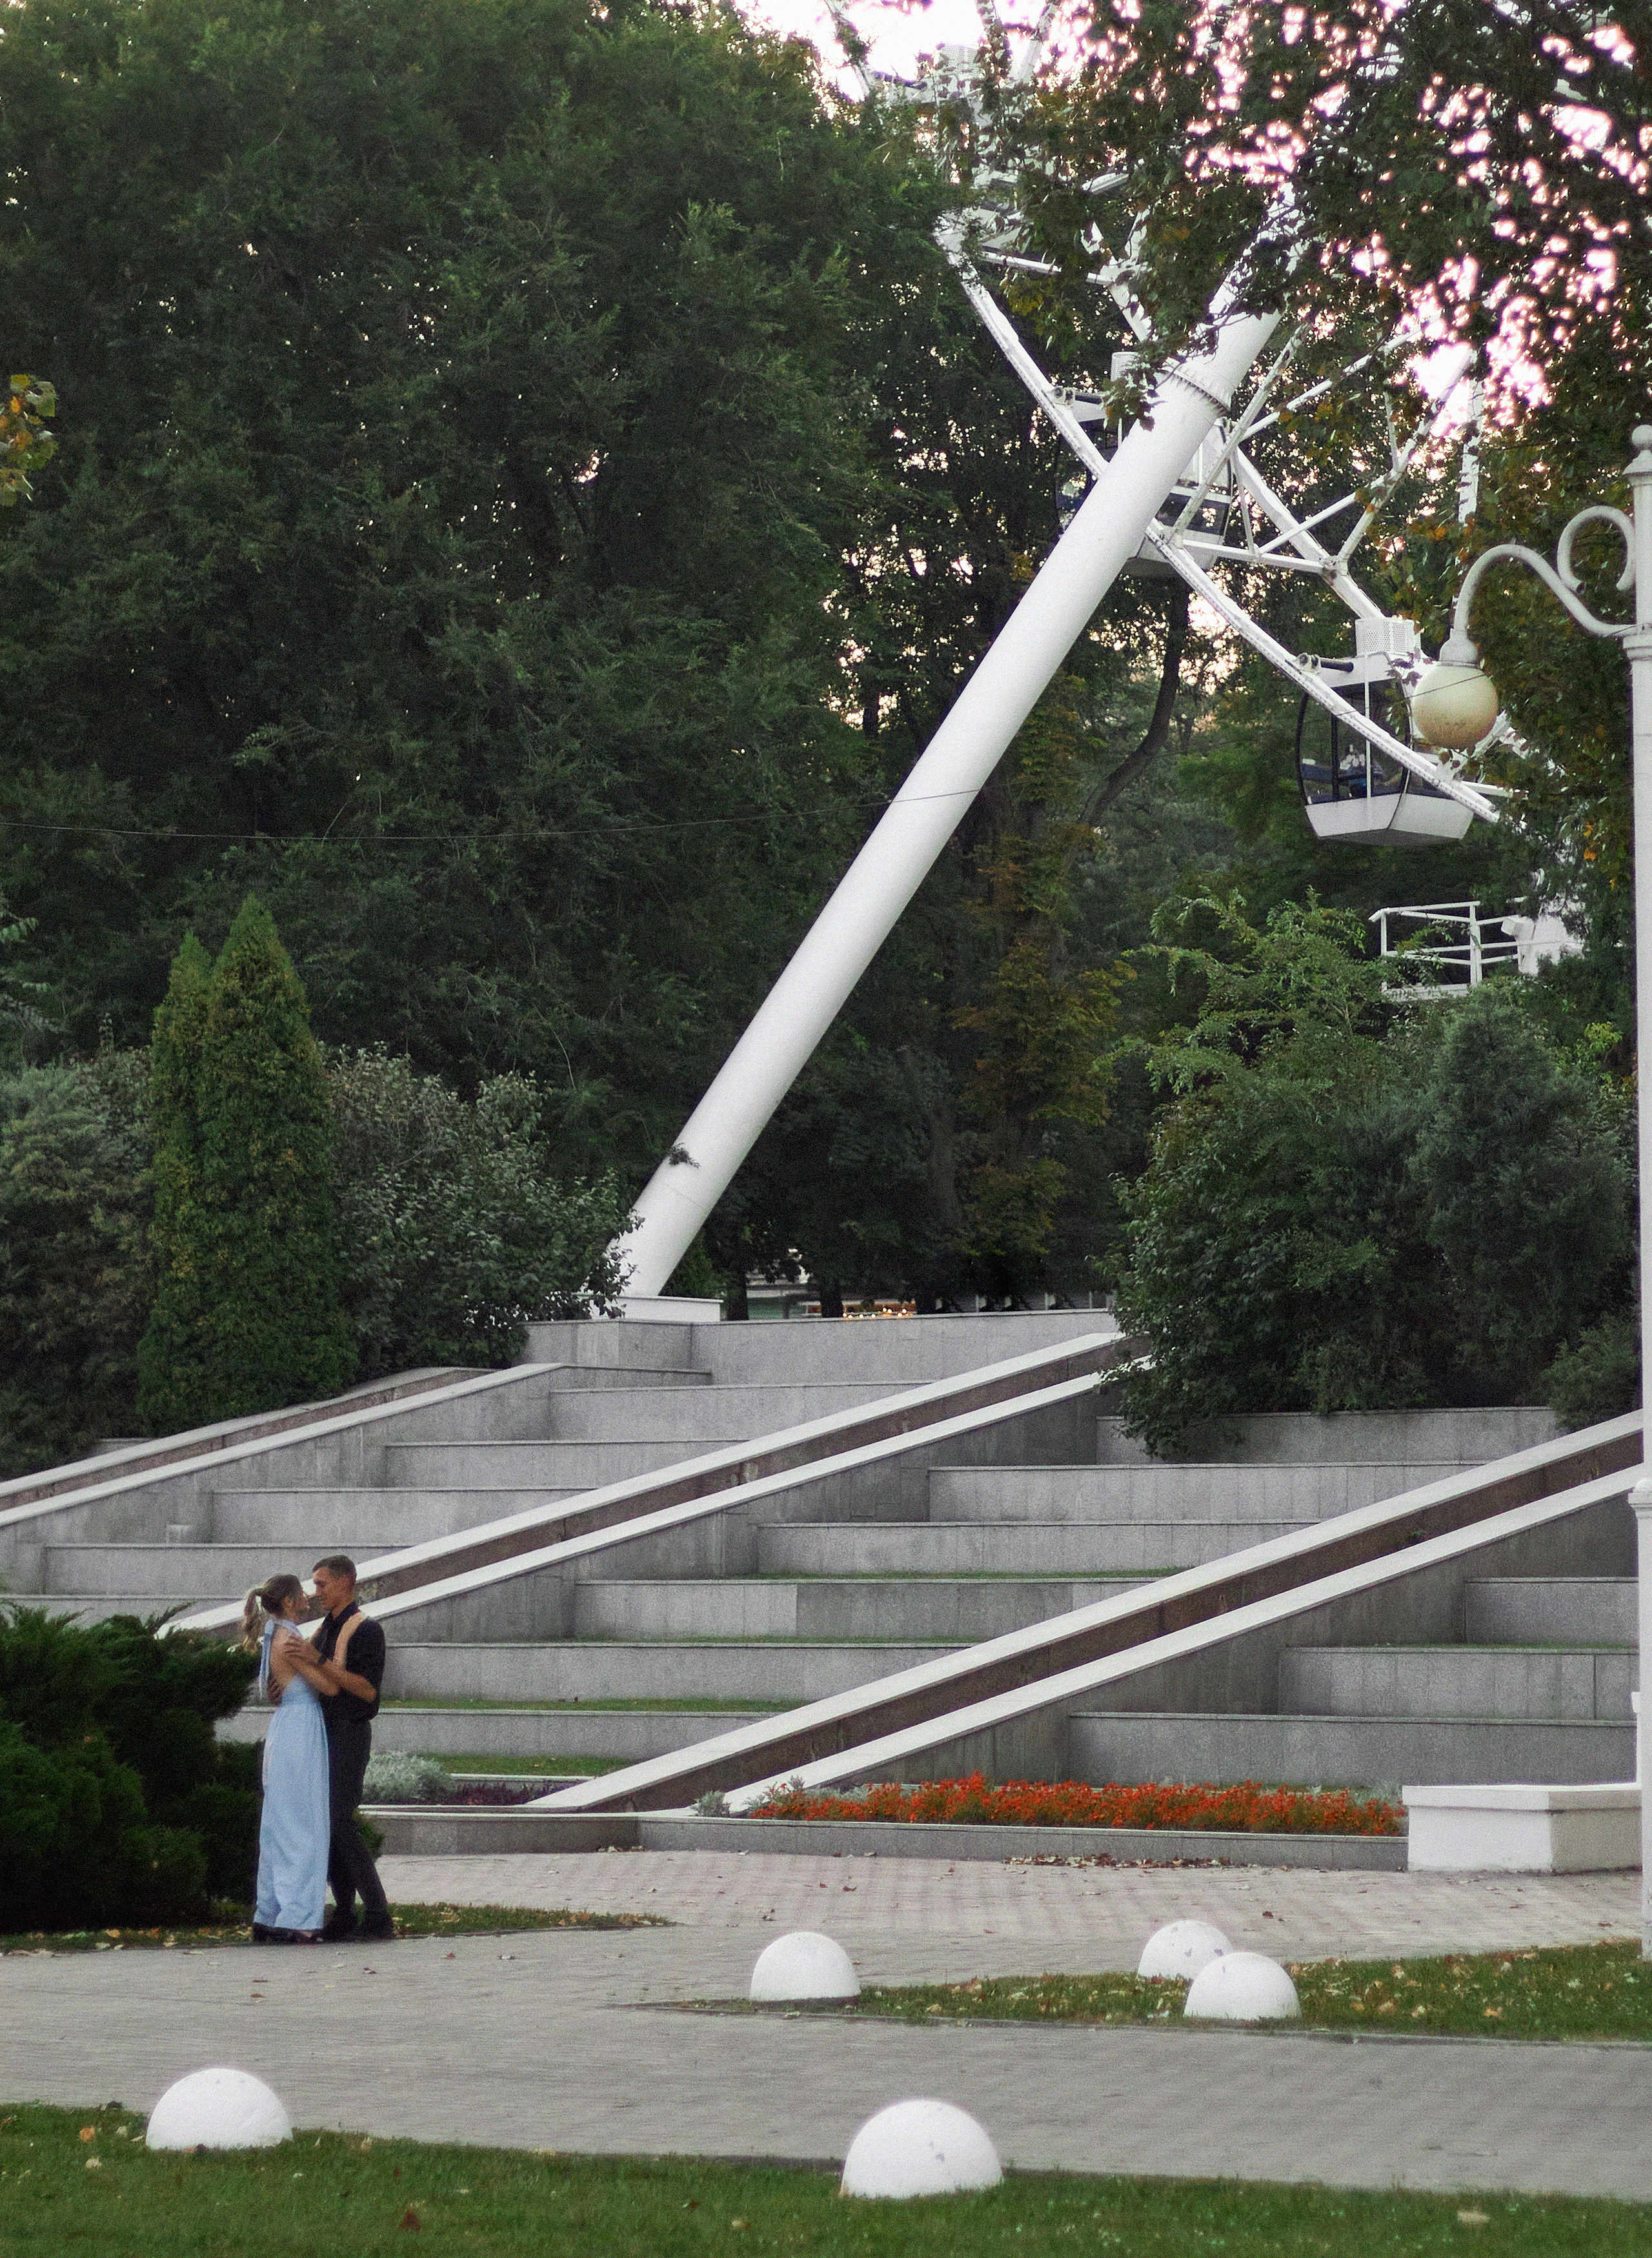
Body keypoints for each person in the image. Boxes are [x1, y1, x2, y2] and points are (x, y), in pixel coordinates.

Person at [238, 1573, 336, 1944]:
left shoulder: (272, 1636)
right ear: (291, 1602)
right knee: (304, 1824)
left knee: (280, 1823)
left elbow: (274, 1690)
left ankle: (270, 1912)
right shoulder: (290, 1640)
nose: (309, 1599)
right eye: (302, 1595)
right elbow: (328, 1686)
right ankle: (299, 1917)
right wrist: (321, 1660)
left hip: (285, 1728)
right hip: (301, 1730)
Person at [307, 1554, 394, 1943]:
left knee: (340, 1820)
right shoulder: (325, 1628)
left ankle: (378, 1914)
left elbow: (368, 1690)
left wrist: (318, 1661)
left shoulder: (367, 1629)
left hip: (350, 1733)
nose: (317, 1592)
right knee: (327, 1824)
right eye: (315, 1584)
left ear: (346, 1582)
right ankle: (344, 1913)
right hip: (323, 1733)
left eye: (322, 1584)